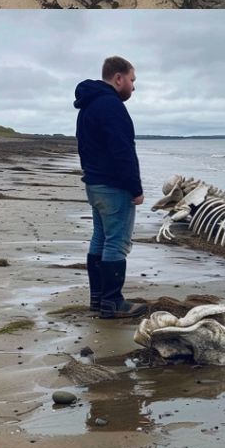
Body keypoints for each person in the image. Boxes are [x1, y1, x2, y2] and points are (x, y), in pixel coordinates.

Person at [74, 56, 148, 320]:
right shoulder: (111, 106)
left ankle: (99, 299)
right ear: (119, 78)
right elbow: (122, 150)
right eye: (132, 80)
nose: (133, 86)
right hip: (114, 186)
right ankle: (113, 302)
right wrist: (135, 188)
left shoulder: (89, 106)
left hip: (94, 183)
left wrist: (92, 176)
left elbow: (84, 147)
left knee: (100, 238)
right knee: (116, 242)